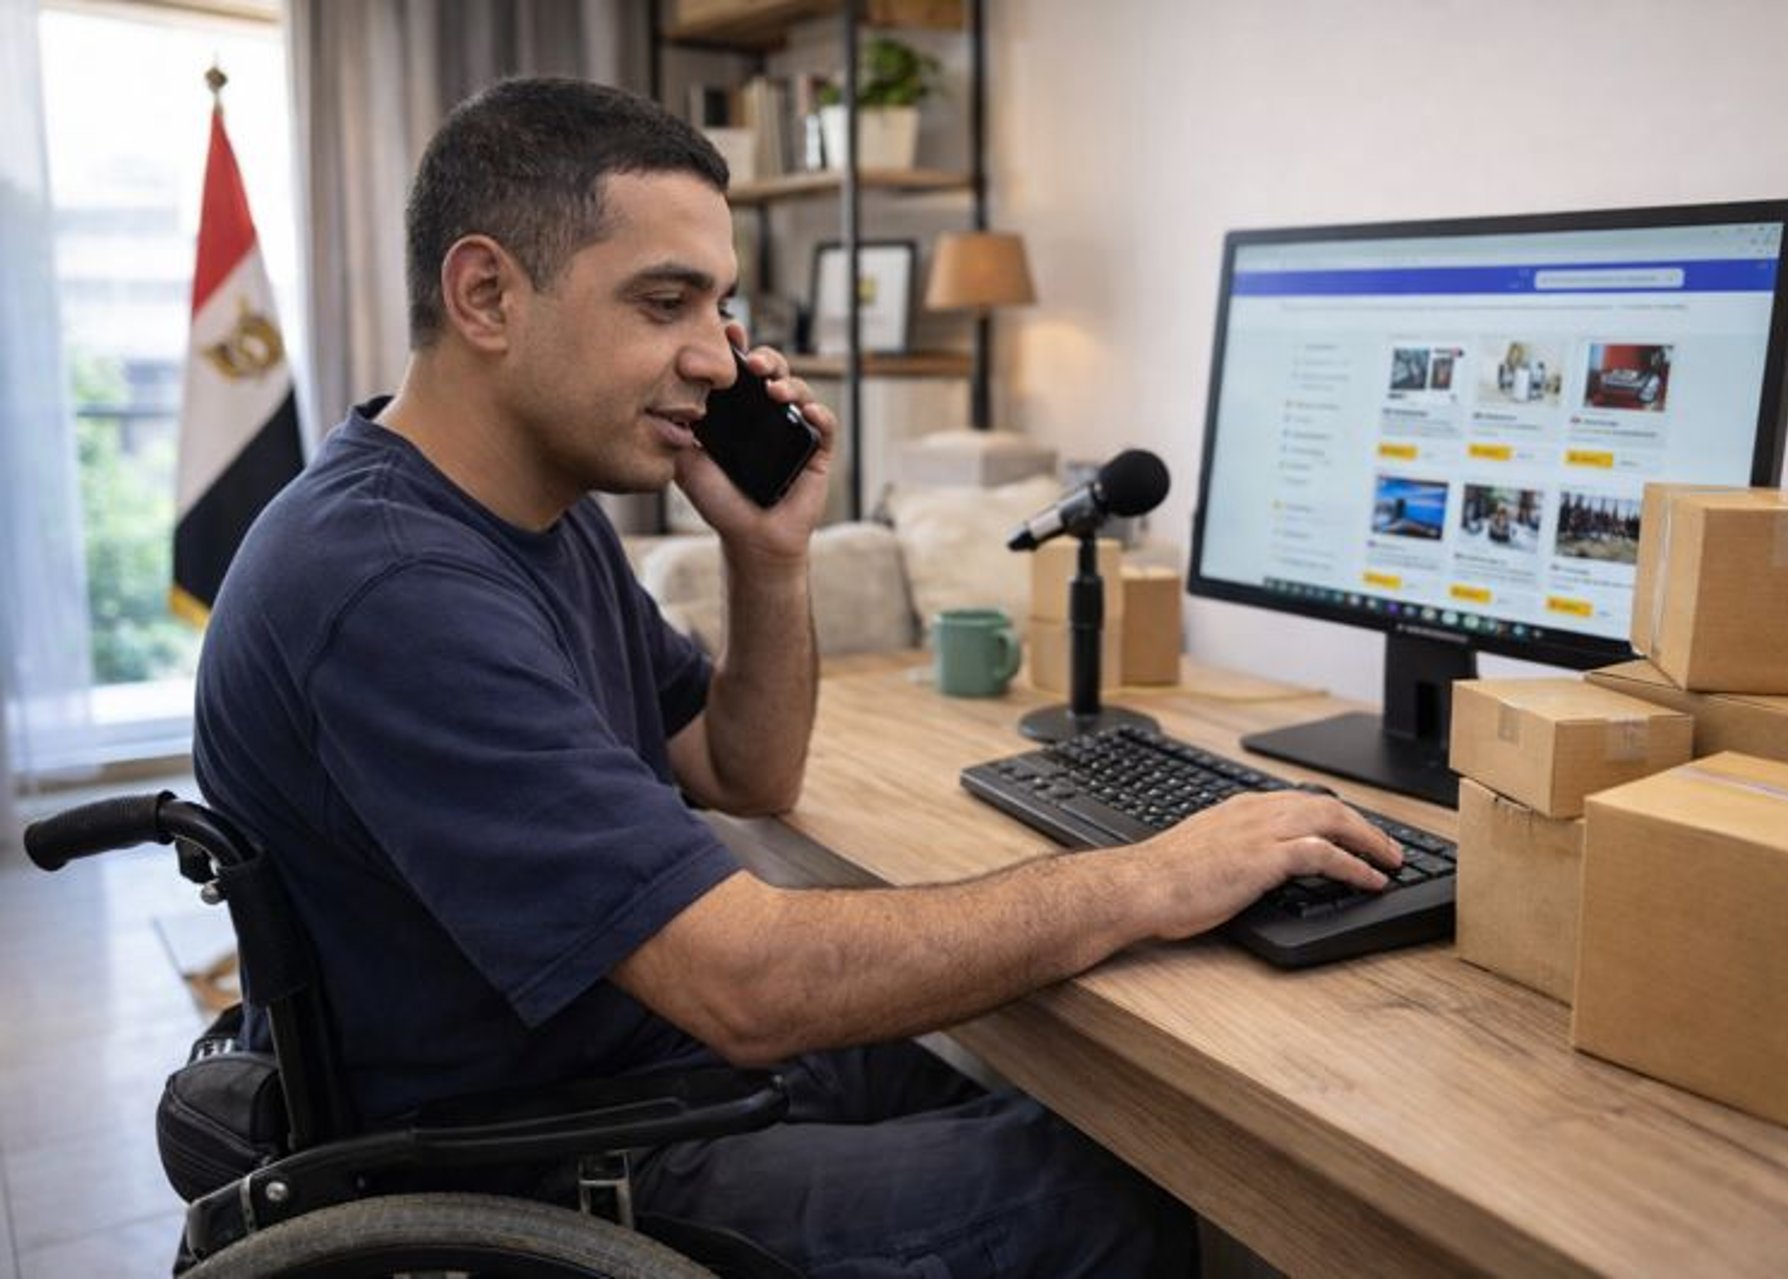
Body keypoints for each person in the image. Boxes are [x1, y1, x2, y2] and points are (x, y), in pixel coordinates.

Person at [193, 76, 1401, 1278]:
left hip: (632, 1060)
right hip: (534, 1160)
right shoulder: (390, 587)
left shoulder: (535, 515)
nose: (719, 358)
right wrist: (1153, 874)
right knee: (1113, 1190)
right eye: (666, 301)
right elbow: (747, 984)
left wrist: (767, 555)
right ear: (488, 294)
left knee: (1073, 1096)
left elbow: (742, 768)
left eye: (721, 305)